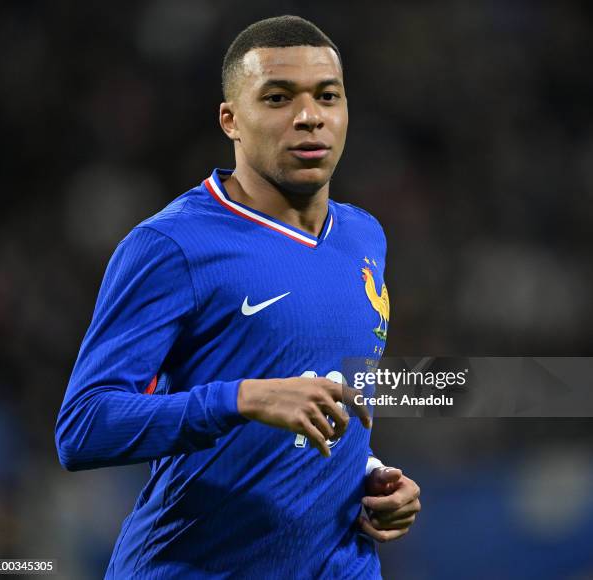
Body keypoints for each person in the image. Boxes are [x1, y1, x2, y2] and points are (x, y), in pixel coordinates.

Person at [55, 15, 421, 579]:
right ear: (232, 120)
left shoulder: (365, 236)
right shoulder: (172, 245)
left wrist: (369, 474)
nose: (309, 117)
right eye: (277, 98)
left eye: (328, 96)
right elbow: (82, 428)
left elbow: (336, 387)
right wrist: (239, 399)